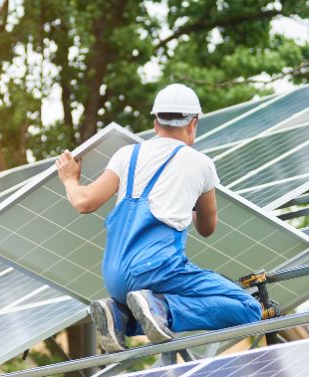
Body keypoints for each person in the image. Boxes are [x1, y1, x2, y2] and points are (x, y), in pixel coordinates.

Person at [56, 83, 261, 353]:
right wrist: (188, 197)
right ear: (193, 123)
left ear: (156, 123)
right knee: (249, 308)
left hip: (114, 275)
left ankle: (118, 315)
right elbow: (207, 227)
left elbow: (83, 202)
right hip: (158, 269)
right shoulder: (200, 164)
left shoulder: (127, 155)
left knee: (146, 304)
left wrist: (70, 179)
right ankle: (161, 307)